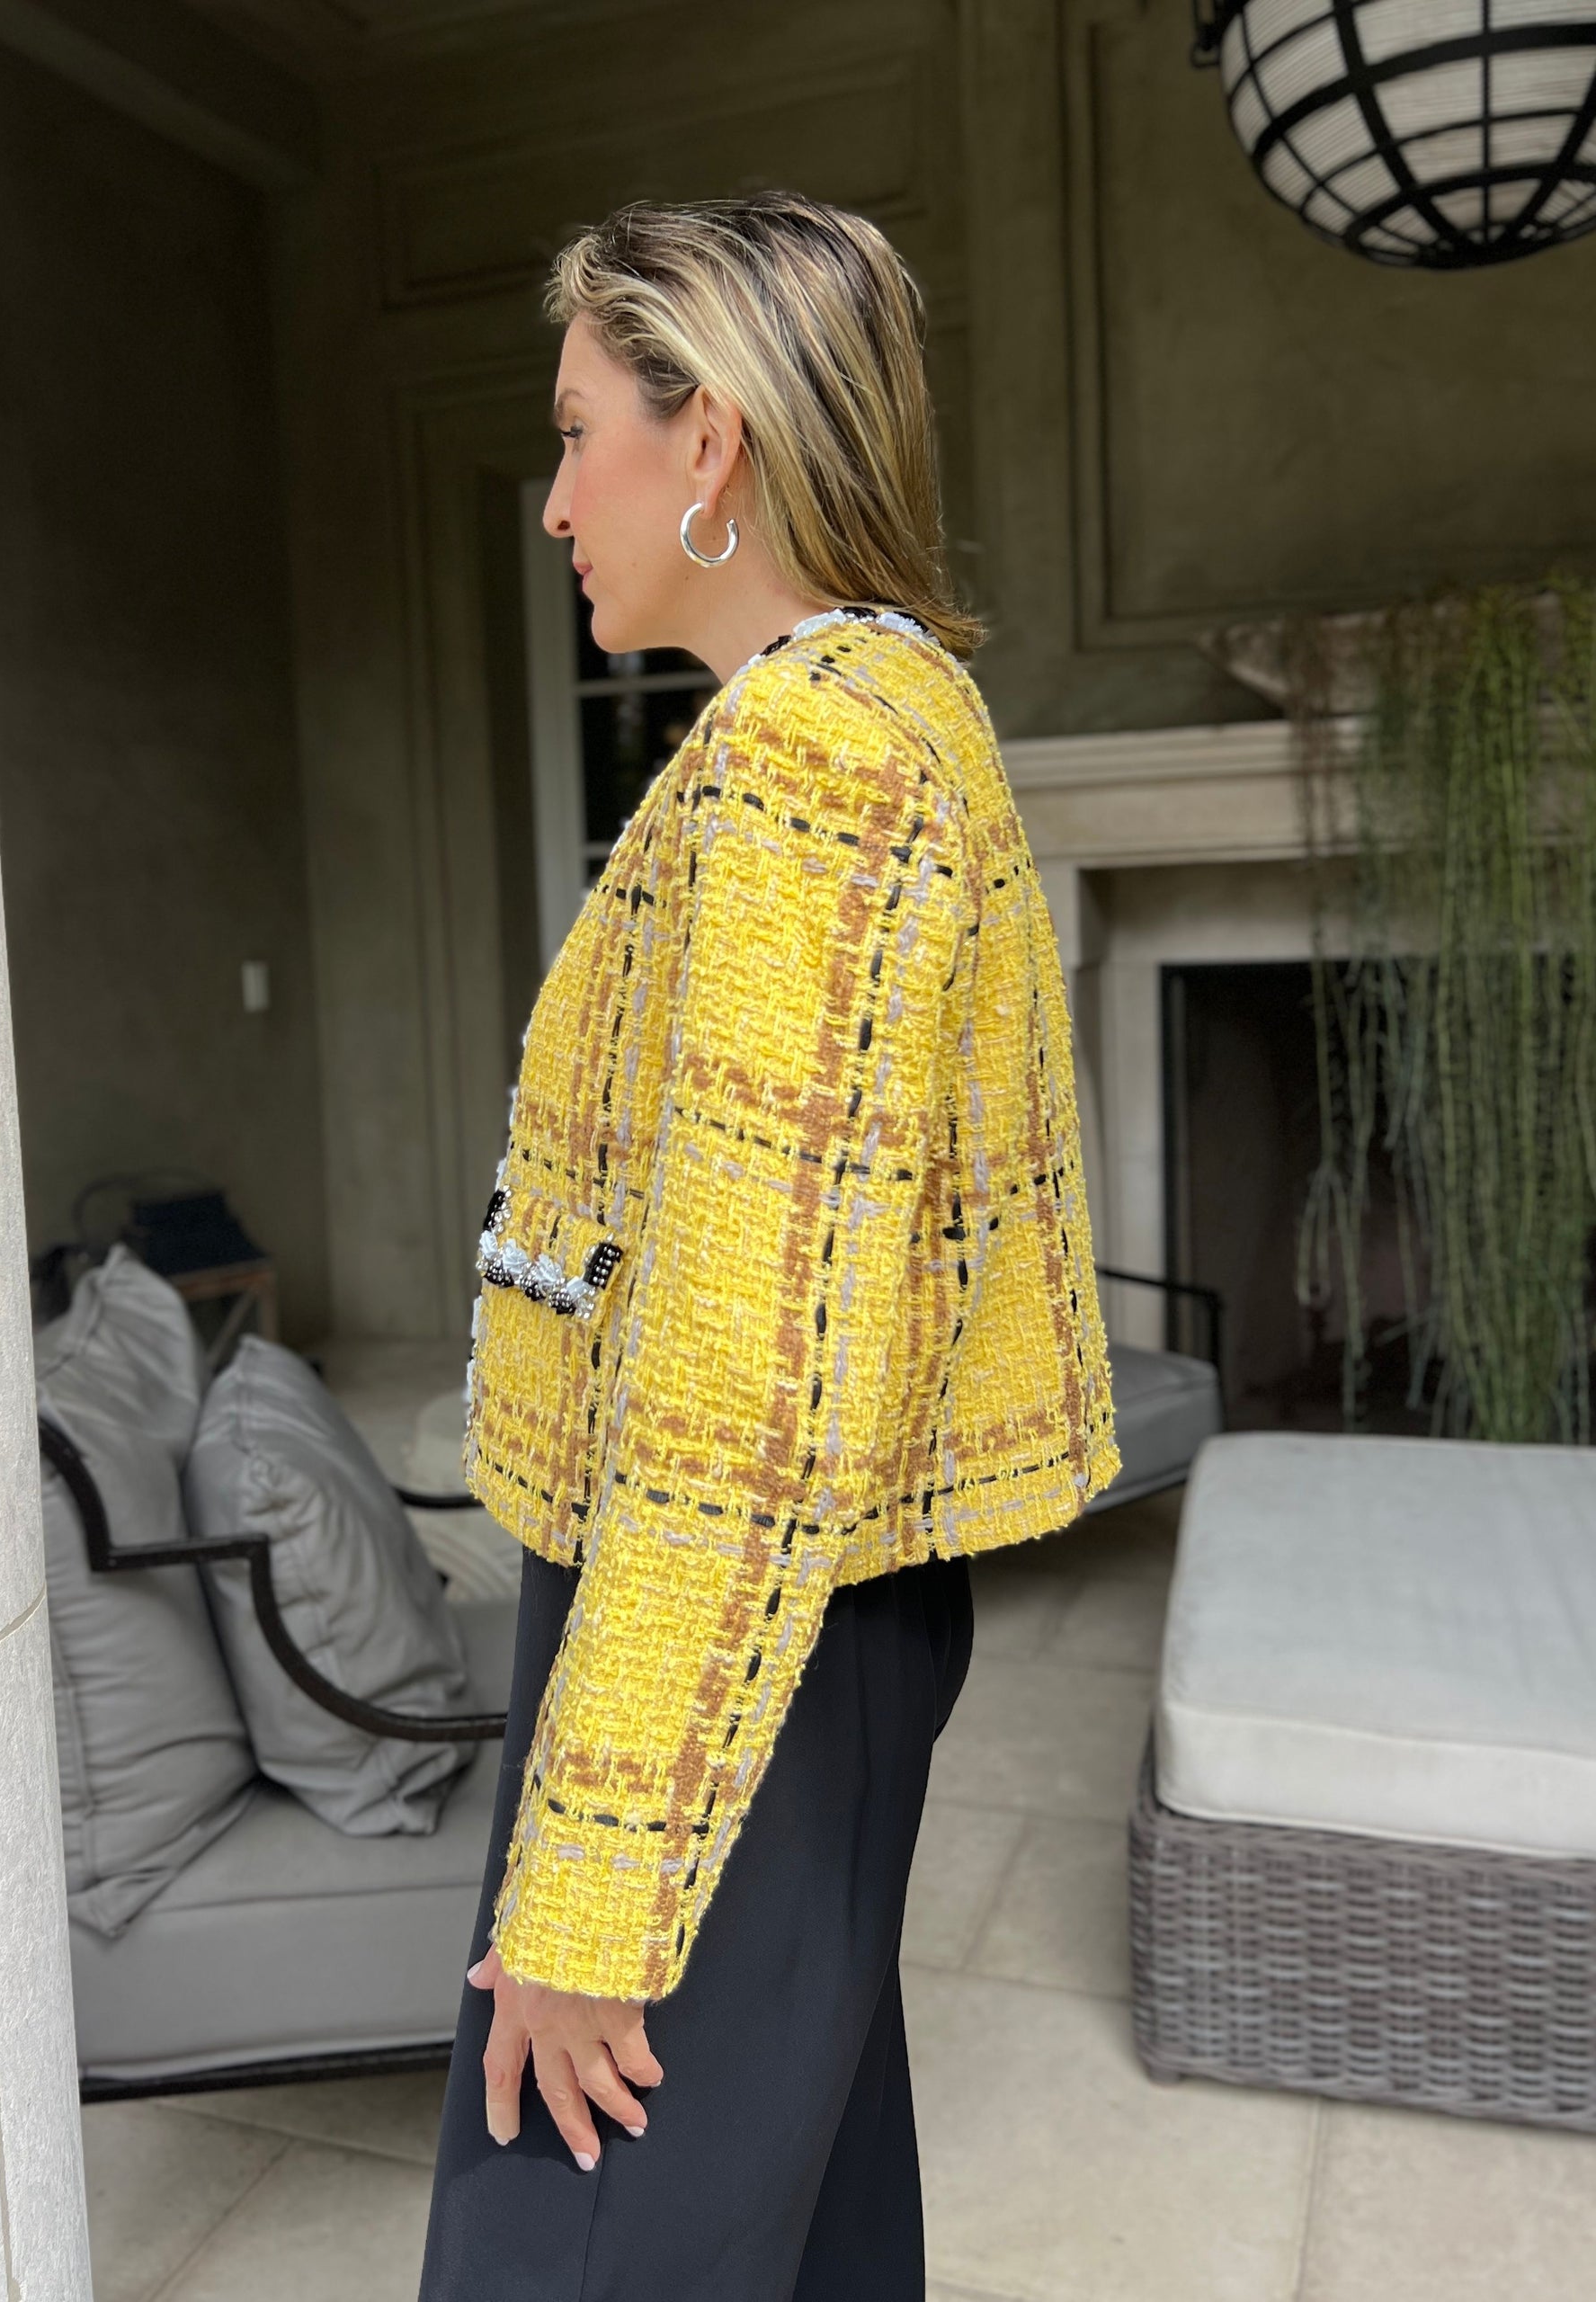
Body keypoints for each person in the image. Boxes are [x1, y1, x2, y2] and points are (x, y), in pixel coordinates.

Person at [419, 192, 1119, 2302]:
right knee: (800, 2216)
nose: (557, 500)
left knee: (575, 2237)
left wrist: (596, 1878)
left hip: (734, 1619)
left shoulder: (809, 760)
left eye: (577, 433)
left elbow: (745, 1385)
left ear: (707, 436)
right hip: (815, 1620)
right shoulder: (886, 719)